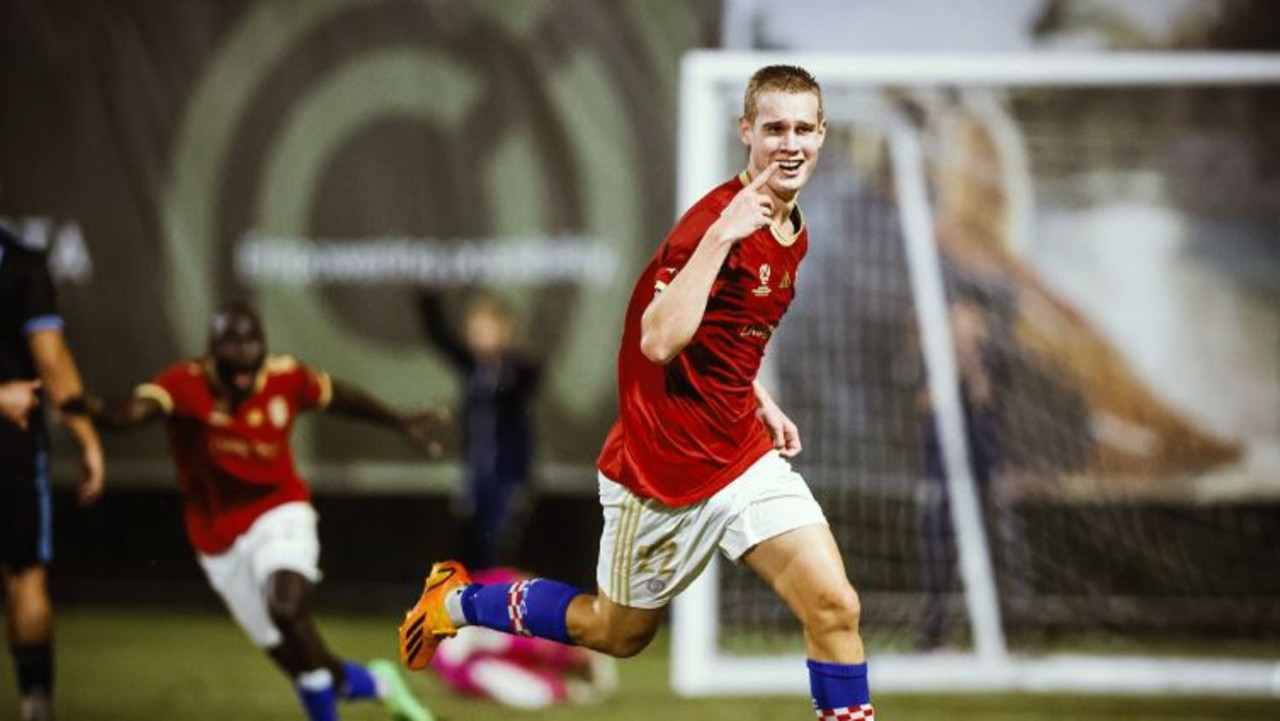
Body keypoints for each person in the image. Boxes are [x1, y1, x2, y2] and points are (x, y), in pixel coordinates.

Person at [400, 65, 876, 719]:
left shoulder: (794, 228)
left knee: (835, 606)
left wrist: (761, 400)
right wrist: (719, 235)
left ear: (822, 134)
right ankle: (453, 600)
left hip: (740, 456)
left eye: (802, 128)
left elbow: (728, 334)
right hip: (661, 473)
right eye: (774, 128)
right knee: (613, 631)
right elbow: (659, 337)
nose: (788, 143)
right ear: (747, 132)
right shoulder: (714, 224)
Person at [86, 300, 439, 721]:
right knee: (302, 661)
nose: (242, 351)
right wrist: (90, 408)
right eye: (229, 341)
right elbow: (132, 411)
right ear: (210, 350)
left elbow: (339, 397)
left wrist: (400, 420)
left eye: (252, 340)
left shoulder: (285, 377)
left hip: (278, 510)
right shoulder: (186, 383)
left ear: (264, 346)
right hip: (217, 539)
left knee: (286, 608)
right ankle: (381, 684)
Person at [1, 227, 105, 721]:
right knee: (26, 577)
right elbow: (51, 359)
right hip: (12, 439)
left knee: (26, 578)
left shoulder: (24, 261)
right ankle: (35, 703)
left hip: (14, 438)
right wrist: (86, 438)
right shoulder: (22, 261)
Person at [418, 290, 541, 570]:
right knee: (470, 539)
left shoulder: (517, 367)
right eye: (473, 330)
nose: (478, 336)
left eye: (485, 329)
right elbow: (441, 339)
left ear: (503, 331)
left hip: (508, 473)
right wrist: (427, 298)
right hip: (476, 471)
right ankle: (475, 602)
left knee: (501, 541)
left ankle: (506, 600)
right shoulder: (473, 368)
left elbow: (523, 383)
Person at [429, 567, 617, 709]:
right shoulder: (553, 617)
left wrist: (569, 692)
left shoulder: (546, 660)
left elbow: (529, 689)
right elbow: (518, 582)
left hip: (463, 656)